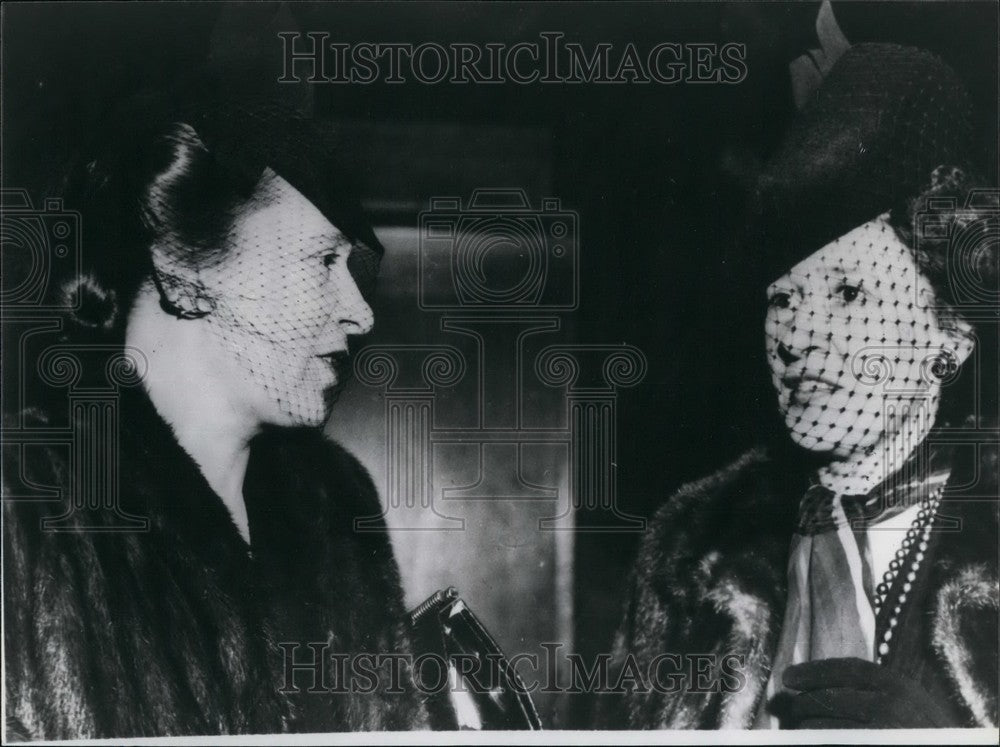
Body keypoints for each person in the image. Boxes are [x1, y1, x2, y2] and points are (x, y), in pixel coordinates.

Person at [597, 43, 997, 729]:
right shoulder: (694, 546)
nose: (795, 334)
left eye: (846, 291)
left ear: (950, 336)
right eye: (782, 300)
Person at [3, 96, 429, 738]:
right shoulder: (25, 502)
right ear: (185, 266)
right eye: (321, 262)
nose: (360, 313)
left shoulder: (340, 503)